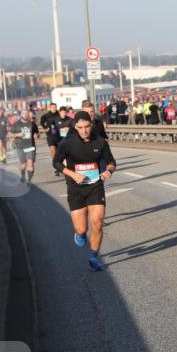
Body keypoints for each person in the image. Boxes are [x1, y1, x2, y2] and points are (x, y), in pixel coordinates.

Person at [53, 110, 116, 272]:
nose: (84, 131)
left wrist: (109, 171)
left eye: (87, 127)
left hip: (95, 186)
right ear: (75, 126)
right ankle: (80, 234)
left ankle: (93, 256)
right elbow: (57, 163)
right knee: (81, 229)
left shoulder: (100, 142)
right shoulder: (68, 142)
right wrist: (72, 174)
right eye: (80, 127)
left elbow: (111, 162)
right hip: (76, 189)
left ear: (91, 125)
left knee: (97, 223)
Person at [10, 109, 39, 184]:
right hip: (20, 146)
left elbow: (37, 133)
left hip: (30, 145)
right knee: (23, 165)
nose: (25, 115)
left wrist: (36, 135)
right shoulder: (16, 124)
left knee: (30, 163)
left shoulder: (32, 123)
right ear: (21, 114)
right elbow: (9, 134)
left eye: (27, 114)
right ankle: (22, 175)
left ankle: (29, 181)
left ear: (28, 115)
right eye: (23, 113)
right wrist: (17, 135)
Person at [40, 103, 64, 172]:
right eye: (53, 107)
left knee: (59, 151)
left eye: (55, 107)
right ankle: (56, 166)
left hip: (59, 135)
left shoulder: (59, 114)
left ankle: (59, 163)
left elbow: (64, 120)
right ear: (50, 108)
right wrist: (45, 127)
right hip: (50, 135)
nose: (54, 108)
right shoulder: (46, 115)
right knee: (53, 150)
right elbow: (42, 121)